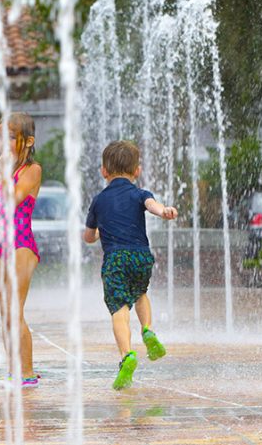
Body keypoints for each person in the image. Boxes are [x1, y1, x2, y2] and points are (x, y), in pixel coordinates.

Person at [83, 140, 174, 390]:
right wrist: (164, 210)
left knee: (119, 308)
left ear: (104, 171)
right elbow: (151, 206)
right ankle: (147, 330)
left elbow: (88, 237)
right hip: (141, 256)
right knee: (141, 293)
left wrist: (99, 232)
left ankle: (127, 356)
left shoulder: (99, 201)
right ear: (137, 171)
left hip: (116, 259)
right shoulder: (140, 193)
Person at [0, 112, 43, 389]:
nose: (4, 142)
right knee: (5, 311)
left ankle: (28, 374)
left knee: (15, 310)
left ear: (28, 141)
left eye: (10, 136)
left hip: (21, 244)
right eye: (1, 136)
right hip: (0, 245)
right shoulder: (6, 169)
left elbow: (13, 198)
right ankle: (13, 370)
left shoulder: (32, 171)